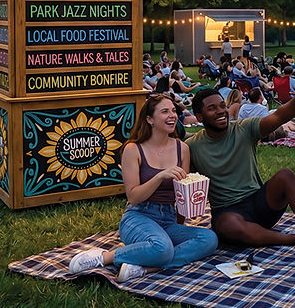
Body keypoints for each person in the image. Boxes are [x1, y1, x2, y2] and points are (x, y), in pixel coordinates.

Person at [186, 85, 295, 263]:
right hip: (228, 213)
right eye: (212, 108)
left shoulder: (243, 129)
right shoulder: (192, 146)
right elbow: (181, 183)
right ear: (200, 117)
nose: (221, 111)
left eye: (222, 106)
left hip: (259, 203)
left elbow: (279, 116)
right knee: (228, 225)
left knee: (286, 175)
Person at [68, 94, 218, 281]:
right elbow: (133, 197)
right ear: (149, 119)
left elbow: (181, 194)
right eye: (165, 111)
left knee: (209, 239)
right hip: (138, 216)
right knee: (163, 248)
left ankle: (145, 268)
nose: (172, 115)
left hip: (168, 219)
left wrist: (184, 217)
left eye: (173, 110)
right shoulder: (133, 149)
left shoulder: (182, 149)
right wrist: (160, 175)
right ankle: (105, 257)